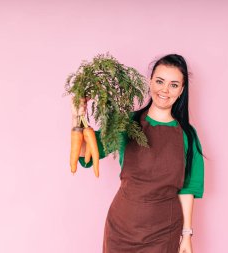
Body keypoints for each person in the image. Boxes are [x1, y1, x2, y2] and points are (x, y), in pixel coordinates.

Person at [71, 54, 205, 253]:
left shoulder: (187, 135)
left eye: (174, 85)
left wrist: (187, 235)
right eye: (160, 81)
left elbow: (187, 190)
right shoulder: (127, 124)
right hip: (121, 230)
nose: (165, 90)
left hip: (164, 232)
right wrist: (77, 116)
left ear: (181, 90)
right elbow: (86, 153)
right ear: (150, 81)